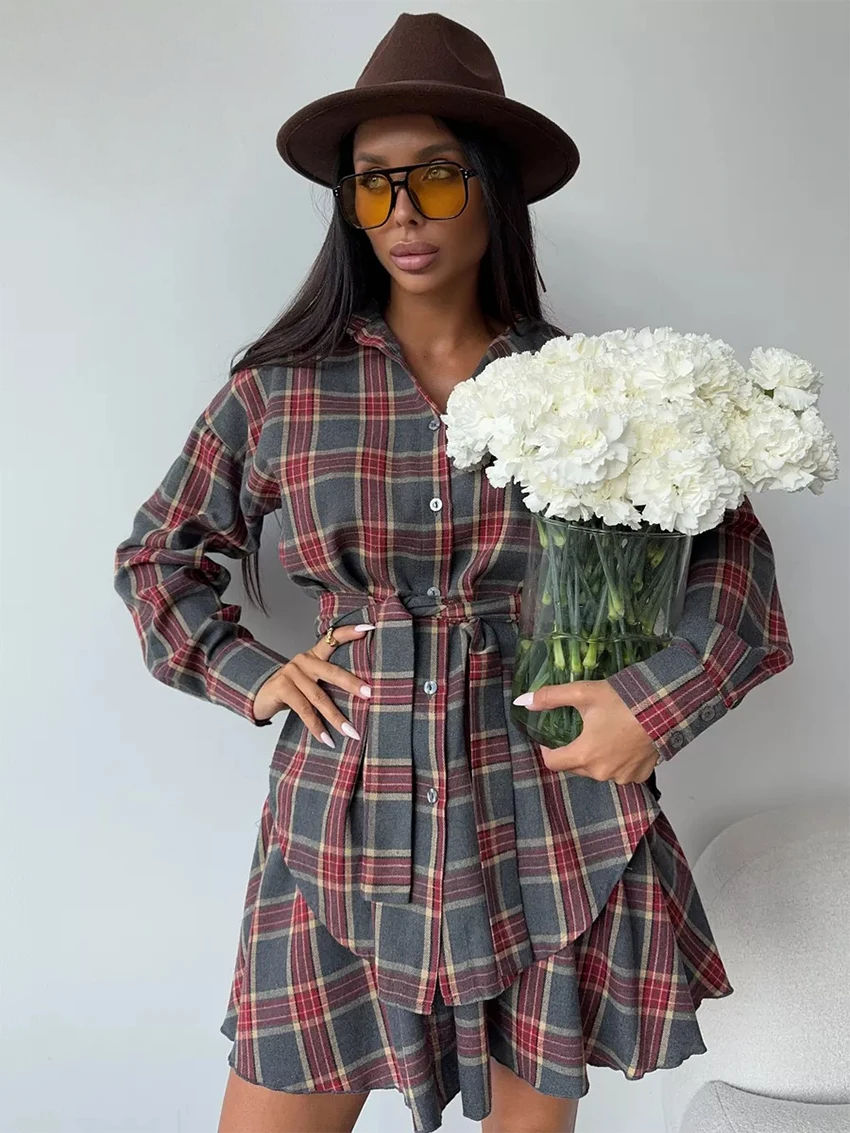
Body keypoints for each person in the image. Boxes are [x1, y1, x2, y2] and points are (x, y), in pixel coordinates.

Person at [112, 13, 794, 1133]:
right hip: (344, 806)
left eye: (434, 176)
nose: (404, 215)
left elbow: (738, 580)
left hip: (547, 804)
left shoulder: (600, 388)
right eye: (373, 184)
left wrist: (648, 706)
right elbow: (157, 558)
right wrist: (253, 672)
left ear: (492, 186)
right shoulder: (278, 392)